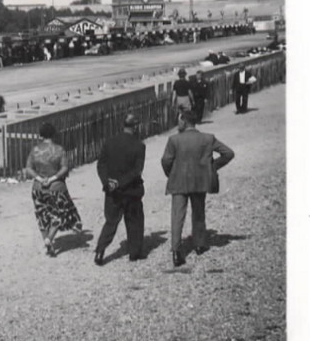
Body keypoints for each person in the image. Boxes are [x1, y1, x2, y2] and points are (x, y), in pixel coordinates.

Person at [161, 108, 235, 267]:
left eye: (179, 120)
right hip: (200, 180)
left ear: (184, 121)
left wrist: (171, 174)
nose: (177, 123)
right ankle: (200, 245)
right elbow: (228, 153)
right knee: (199, 213)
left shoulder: (174, 140)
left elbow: (166, 161)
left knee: (177, 216)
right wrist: (212, 167)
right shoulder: (208, 138)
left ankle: (176, 251)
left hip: (179, 182)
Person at [94, 113, 146, 265]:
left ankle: (100, 251)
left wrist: (107, 182)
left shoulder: (109, 142)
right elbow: (137, 171)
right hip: (131, 190)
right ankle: (134, 253)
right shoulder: (139, 146)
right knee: (134, 221)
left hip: (112, 192)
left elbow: (101, 165)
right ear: (135, 127)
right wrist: (120, 183)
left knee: (110, 222)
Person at [24, 122, 83, 257]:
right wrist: (52, 178)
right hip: (57, 187)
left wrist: (39, 178)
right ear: (53, 134)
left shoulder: (35, 150)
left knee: (41, 214)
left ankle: (46, 238)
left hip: (38, 188)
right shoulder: (59, 150)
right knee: (58, 214)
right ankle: (49, 239)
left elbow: (28, 168)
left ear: (41, 135)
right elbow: (64, 168)